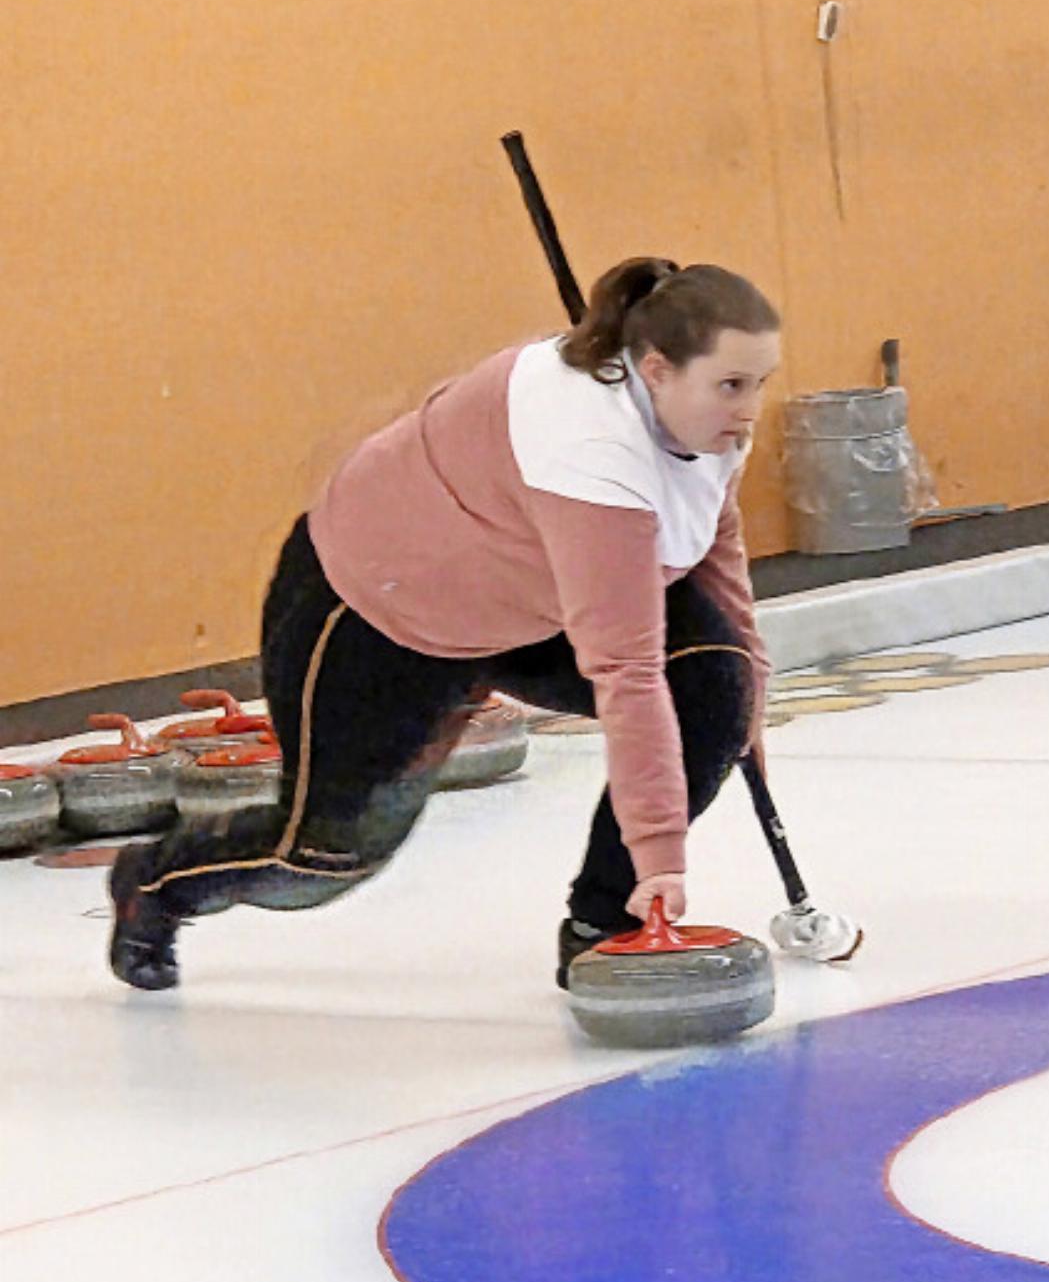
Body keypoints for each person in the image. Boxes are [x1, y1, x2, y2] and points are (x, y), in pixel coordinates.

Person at [108, 257, 781, 992]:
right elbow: (626, 670)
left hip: (532, 595)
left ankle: (602, 927)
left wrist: (746, 705)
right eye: (732, 385)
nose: (750, 409)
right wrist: (660, 858)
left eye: (759, 383)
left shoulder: (704, 423)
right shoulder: (591, 451)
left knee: (713, 682)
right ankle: (157, 881)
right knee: (324, 860)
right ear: (655, 370)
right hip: (384, 613)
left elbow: (717, 559)